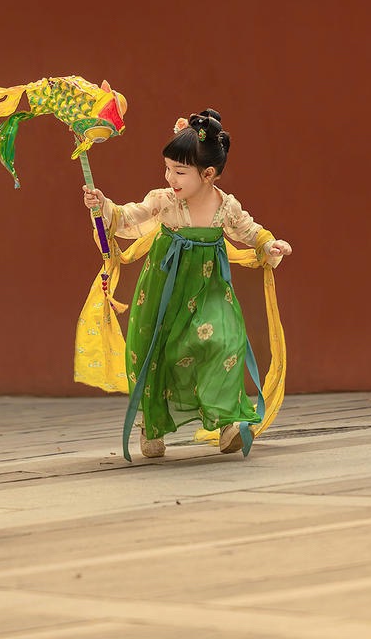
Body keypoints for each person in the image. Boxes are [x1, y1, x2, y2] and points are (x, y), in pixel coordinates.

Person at [83, 108, 291, 461]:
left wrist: (268, 244)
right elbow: (126, 217)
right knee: (157, 350)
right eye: (167, 168)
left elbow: (248, 230)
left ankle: (227, 422)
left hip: (210, 285)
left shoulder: (225, 206)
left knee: (224, 341)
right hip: (164, 285)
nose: (170, 178)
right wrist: (102, 205)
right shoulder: (163, 201)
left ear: (208, 174)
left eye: (179, 171)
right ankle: (151, 424)